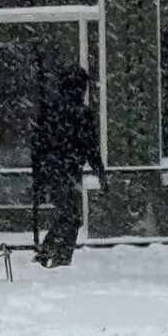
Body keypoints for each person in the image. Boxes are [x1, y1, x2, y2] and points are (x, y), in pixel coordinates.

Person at [32, 65, 105, 268]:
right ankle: (58, 258)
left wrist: (38, 175)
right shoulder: (80, 114)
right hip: (68, 170)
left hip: (55, 170)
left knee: (69, 215)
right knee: (72, 216)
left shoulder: (51, 110)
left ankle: (51, 253)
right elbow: (90, 145)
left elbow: (38, 146)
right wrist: (99, 170)